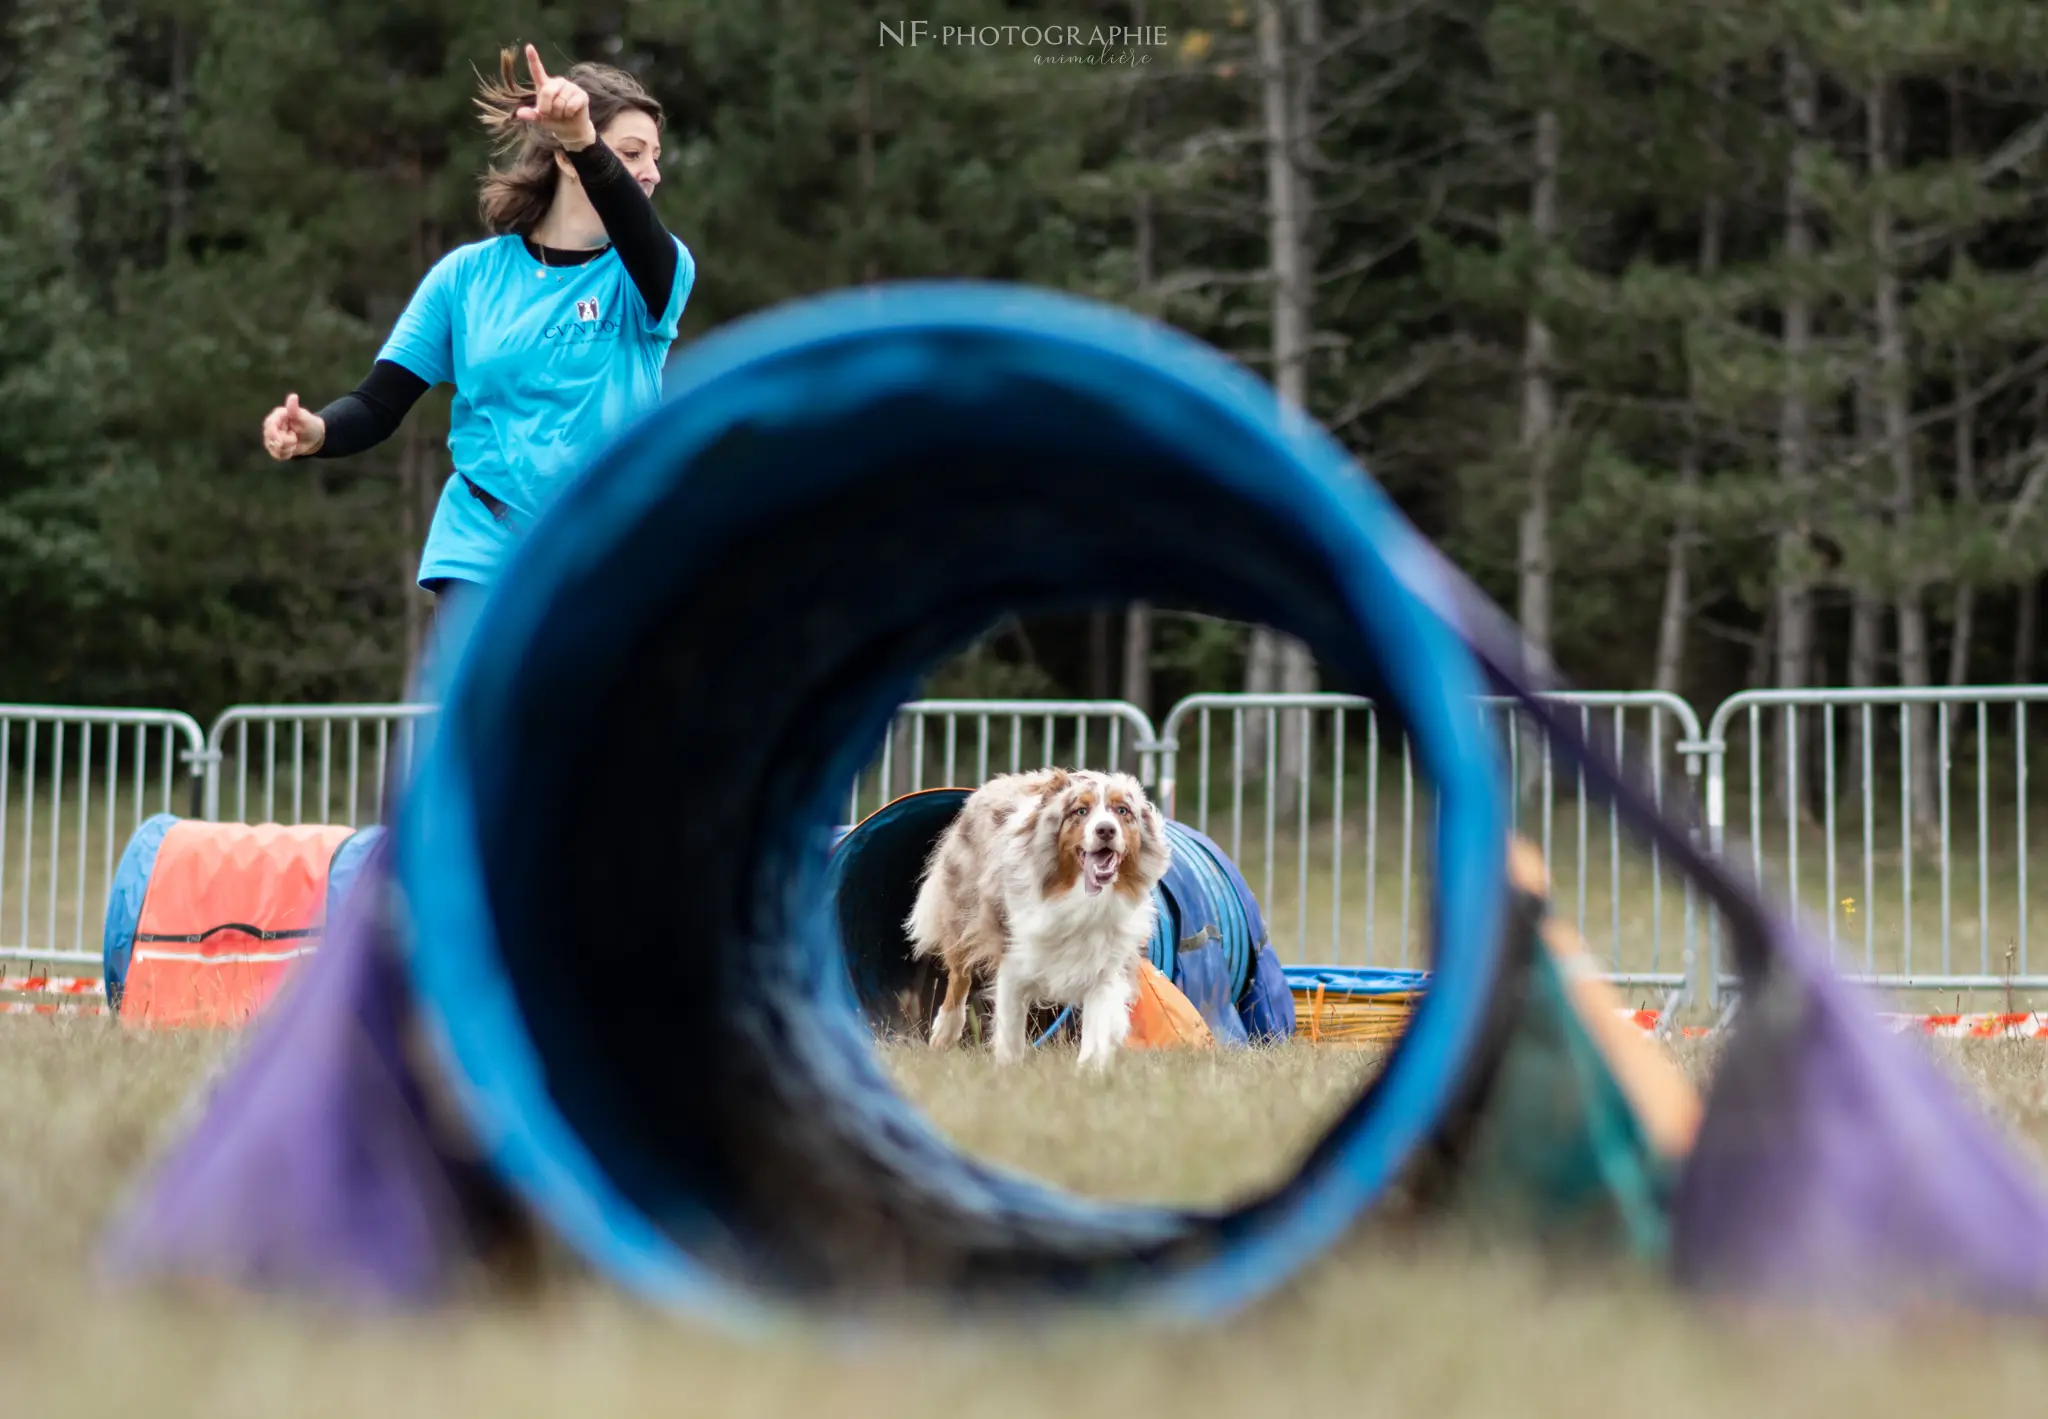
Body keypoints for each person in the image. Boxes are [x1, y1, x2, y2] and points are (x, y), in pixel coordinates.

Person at [260, 43, 697, 630]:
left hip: (610, 550)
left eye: (655, 156)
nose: (652, 171)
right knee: (491, 722)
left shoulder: (650, 271)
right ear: (566, 160)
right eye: (632, 153)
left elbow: (638, 231)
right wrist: (318, 431)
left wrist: (586, 142)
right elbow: (376, 404)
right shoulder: (465, 278)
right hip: (484, 549)